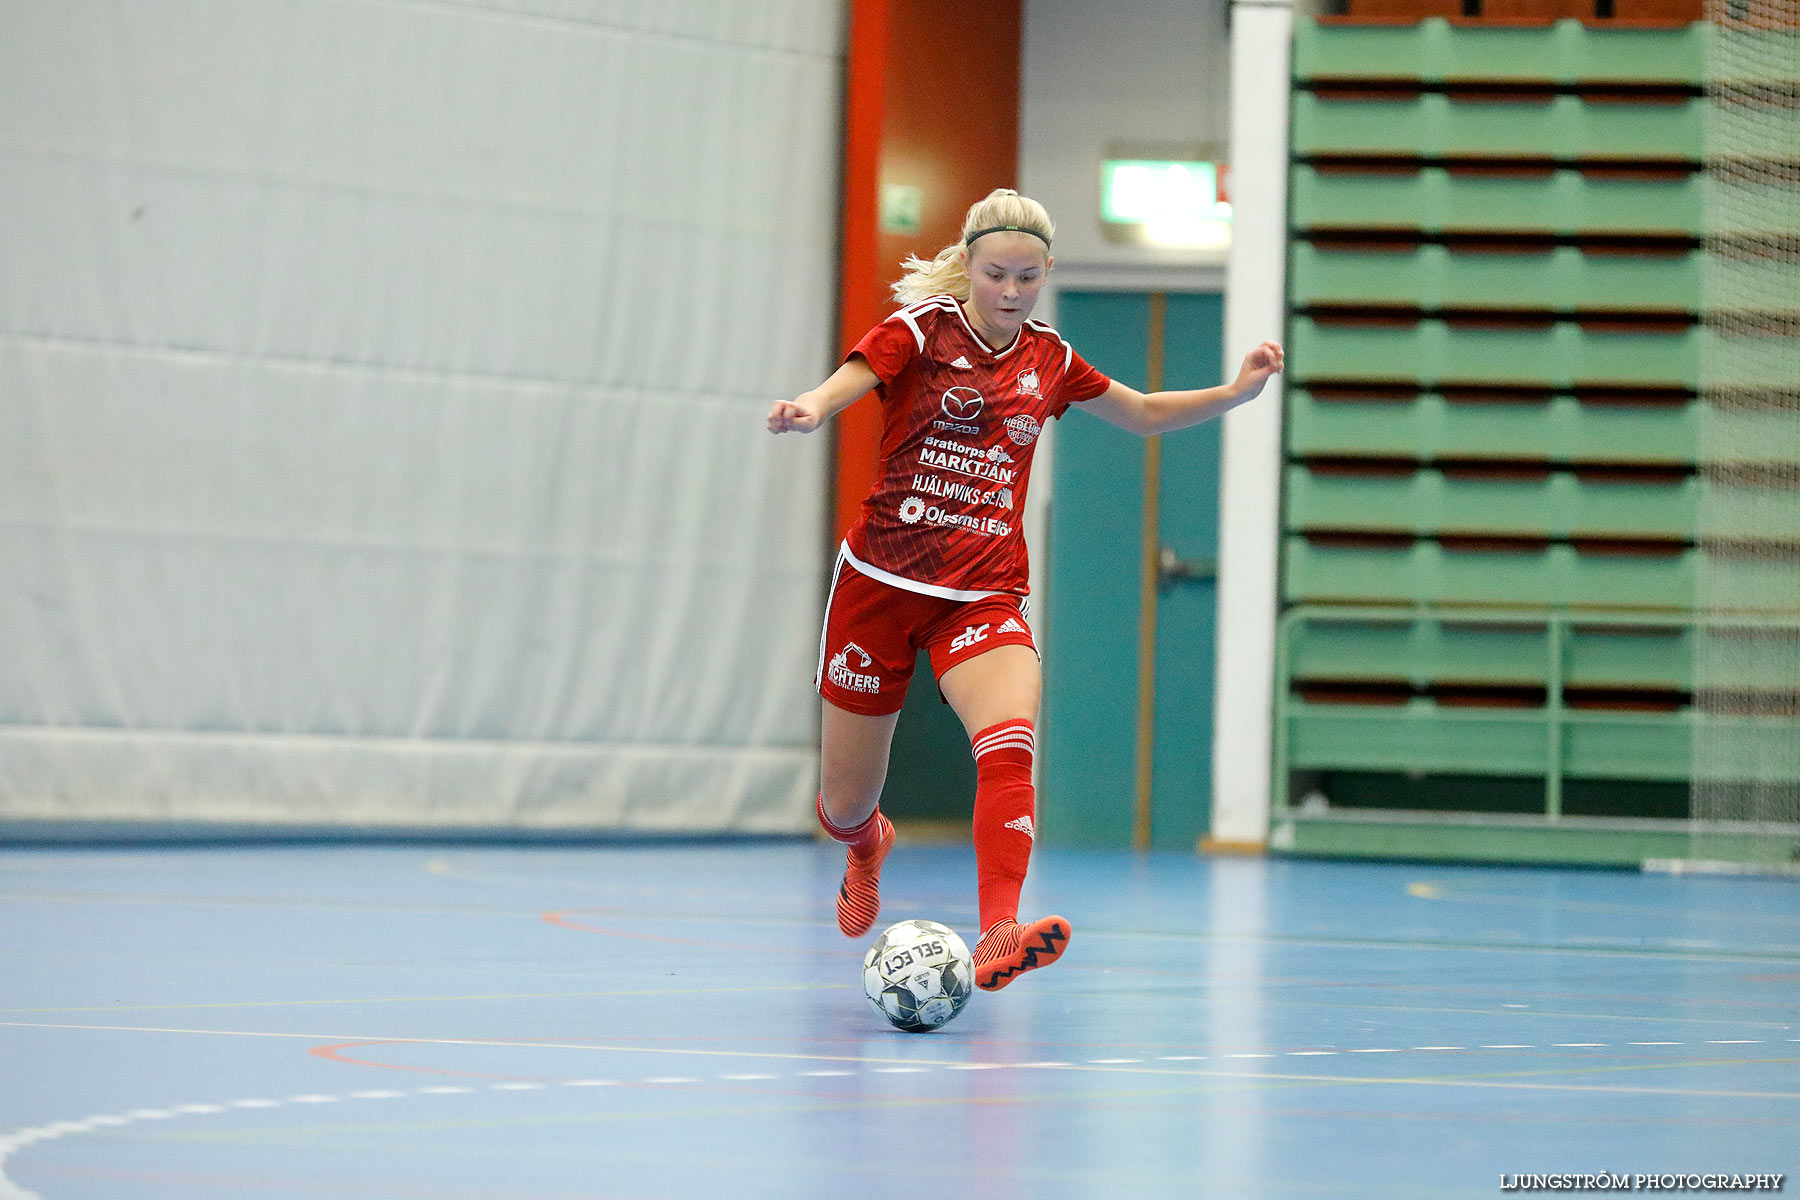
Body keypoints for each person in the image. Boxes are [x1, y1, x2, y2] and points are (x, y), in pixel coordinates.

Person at [766, 188, 1283, 991]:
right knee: (841, 803)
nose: (1011, 292)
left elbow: (1142, 411)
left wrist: (1234, 394)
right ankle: (867, 844)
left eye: (1028, 277)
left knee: (1009, 738)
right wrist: (811, 406)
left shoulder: (1050, 359)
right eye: (997, 274)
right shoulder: (922, 331)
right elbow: (854, 376)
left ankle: (1000, 928)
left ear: (1045, 275)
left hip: (984, 591)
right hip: (879, 586)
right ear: (968, 267)